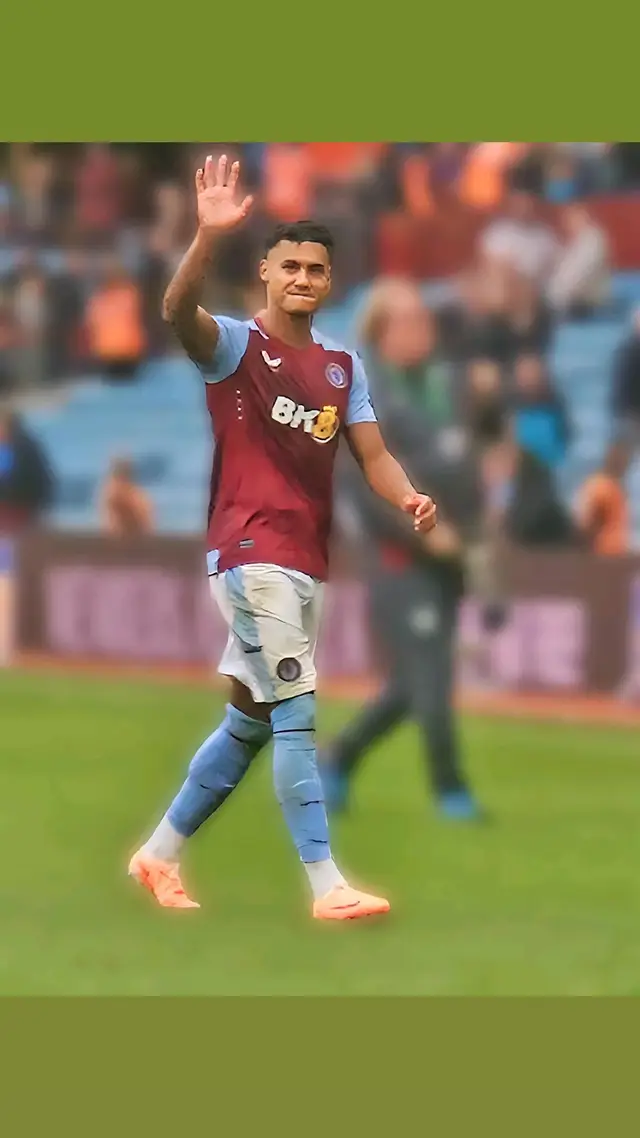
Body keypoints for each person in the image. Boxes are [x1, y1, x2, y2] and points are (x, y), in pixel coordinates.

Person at [128, 155, 437, 921]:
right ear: (264, 271)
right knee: (298, 708)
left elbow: (372, 453)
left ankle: (157, 855)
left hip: (304, 562)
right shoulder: (234, 349)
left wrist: (409, 498)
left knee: (251, 721)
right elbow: (174, 311)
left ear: (330, 282)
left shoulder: (340, 367)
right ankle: (326, 886)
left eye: (317, 268)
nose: (303, 276)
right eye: (289, 264)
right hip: (248, 553)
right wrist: (206, 237)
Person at [318, 278, 488, 821]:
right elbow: (365, 489)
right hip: (401, 561)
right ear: (382, 332)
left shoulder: (444, 387)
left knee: (413, 683)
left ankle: (339, 758)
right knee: (431, 678)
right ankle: (451, 790)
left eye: (424, 317)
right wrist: (427, 532)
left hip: (448, 559)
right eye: (410, 319)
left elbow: (466, 467)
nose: (424, 328)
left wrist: (473, 531)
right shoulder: (365, 399)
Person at [575, 442, 630, 556]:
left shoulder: (616, 486)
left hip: (616, 555)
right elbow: (589, 524)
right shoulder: (601, 486)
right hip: (601, 554)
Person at [100, 457, 154, 538]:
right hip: (127, 536)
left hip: (134, 536)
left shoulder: (135, 494)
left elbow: (145, 521)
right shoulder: (114, 491)